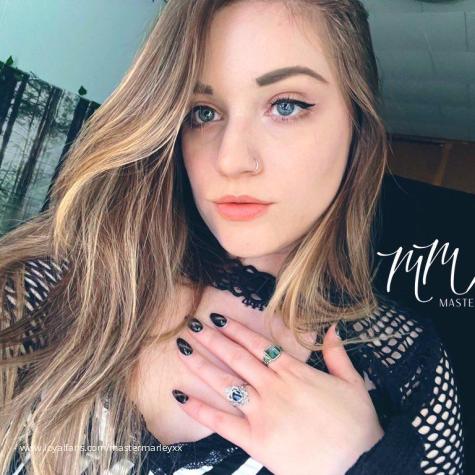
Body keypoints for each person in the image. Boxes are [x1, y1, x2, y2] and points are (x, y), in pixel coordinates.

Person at [0, 0, 464, 474]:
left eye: (286, 105)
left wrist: (365, 464)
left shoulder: (405, 365)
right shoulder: (46, 287)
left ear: (356, 125)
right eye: (203, 112)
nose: (230, 159)